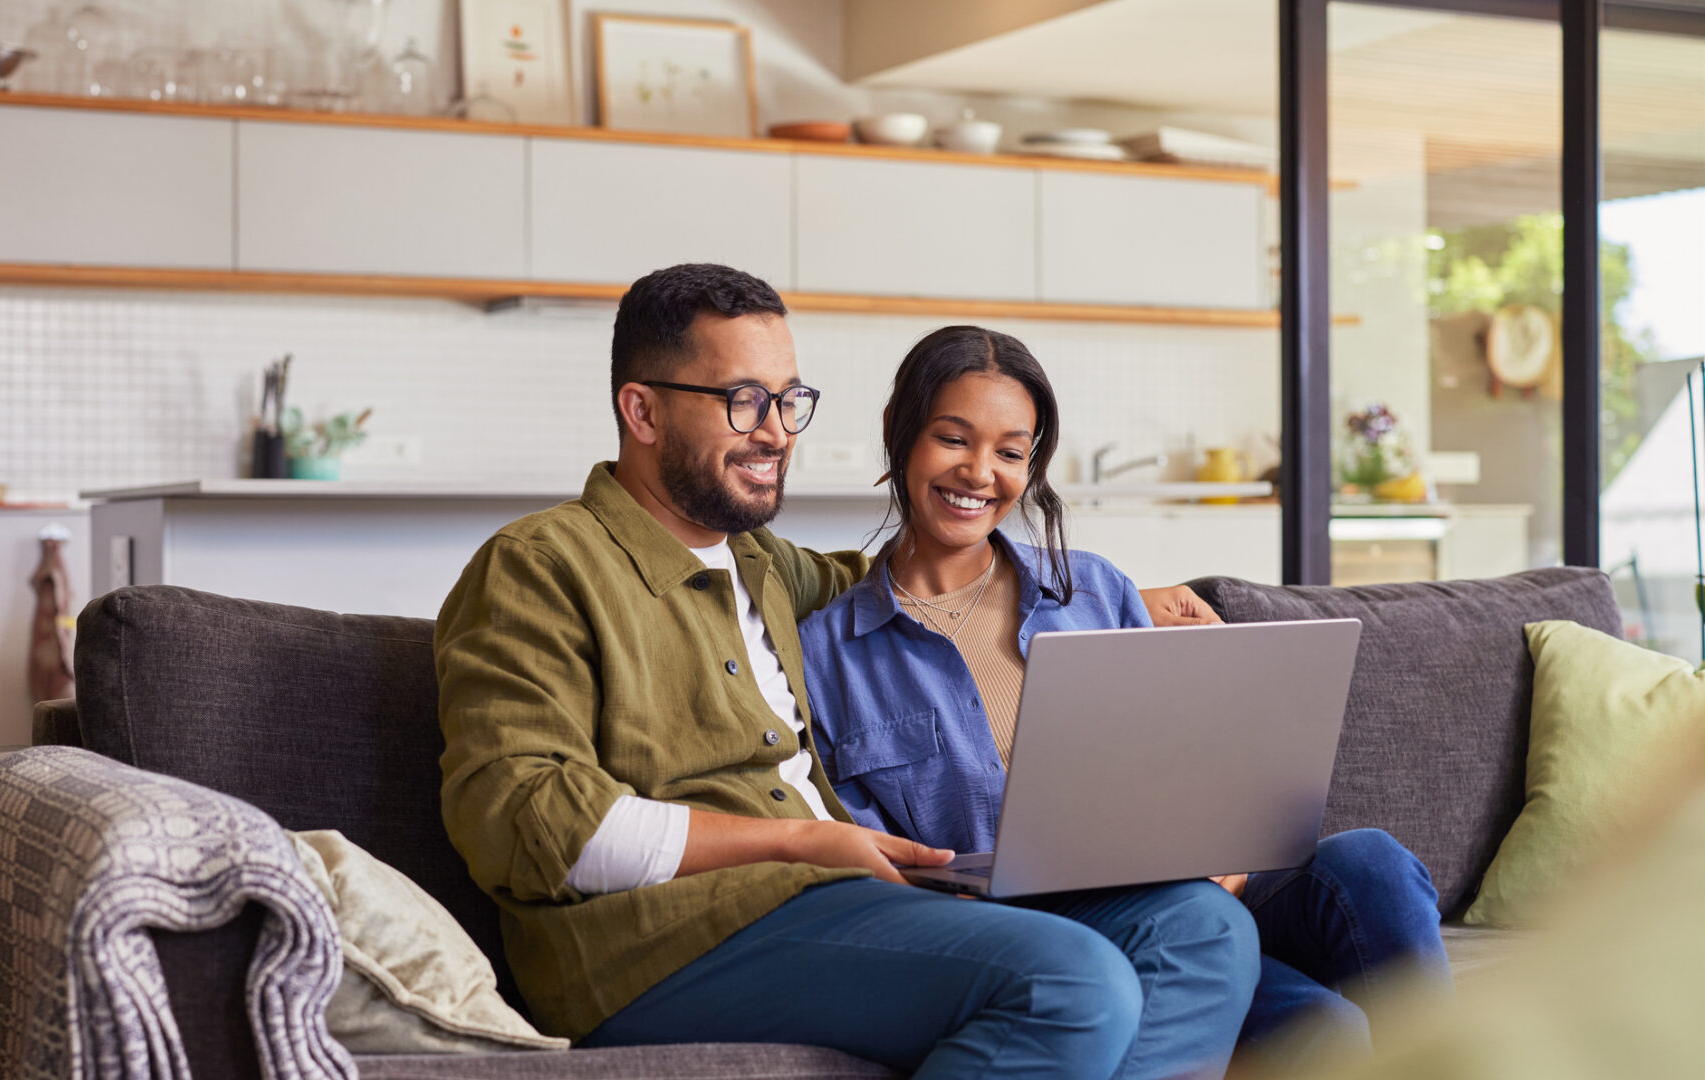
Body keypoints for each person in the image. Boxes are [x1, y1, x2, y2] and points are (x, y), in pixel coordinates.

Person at [436, 264, 1260, 1079]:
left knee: (1201, 928)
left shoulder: (762, 567)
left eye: (789, 401)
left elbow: (909, 585)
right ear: (641, 410)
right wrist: (800, 837)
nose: (776, 432)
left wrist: (1109, 594)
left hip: (838, 900)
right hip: (656, 942)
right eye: (743, 401)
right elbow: (522, 820)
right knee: (1069, 982)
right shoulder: (540, 564)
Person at [797, 325, 1456, 1070]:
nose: (980, 473)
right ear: (900, 433)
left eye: (1011, 452)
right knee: (1325, 1030)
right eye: (954, 439)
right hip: (1061, 935)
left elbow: (1191, 763)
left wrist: (1227, 850)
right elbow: (879, 870)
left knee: (1373, 861)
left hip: (1201, 888)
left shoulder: (1095, 589)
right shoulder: (828, 655)